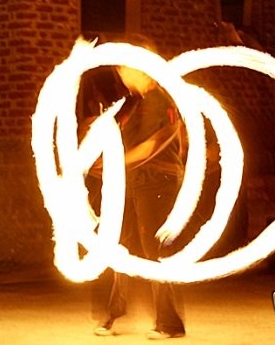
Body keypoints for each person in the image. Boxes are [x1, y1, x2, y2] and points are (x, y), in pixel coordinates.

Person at [84, 35, 187, 340]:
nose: (120, 73)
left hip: (155, 183)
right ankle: (113, 314)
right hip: (134, 182)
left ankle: (170, 323)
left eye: (123, 66)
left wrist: (114, 164)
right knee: (120, 246)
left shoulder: (160, 100)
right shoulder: (137, 103)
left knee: (155, 251)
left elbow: (154, 146)